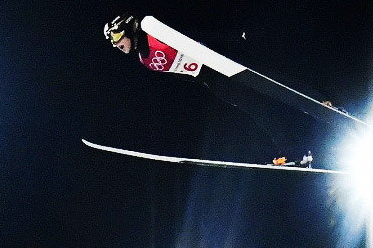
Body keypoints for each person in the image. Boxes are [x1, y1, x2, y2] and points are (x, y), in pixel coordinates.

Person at [103, 14, 314, 166]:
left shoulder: (153, 32)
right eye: (112, 41)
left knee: (273, 83)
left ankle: (322, 102)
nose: (116, 44)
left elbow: (193, 35)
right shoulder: (144, 60)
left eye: (116, 37)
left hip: (221, 60)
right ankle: (295, 152)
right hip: (213, 80)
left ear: (128, 27)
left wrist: (232, 37)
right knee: (258, 110)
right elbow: (180, 73)